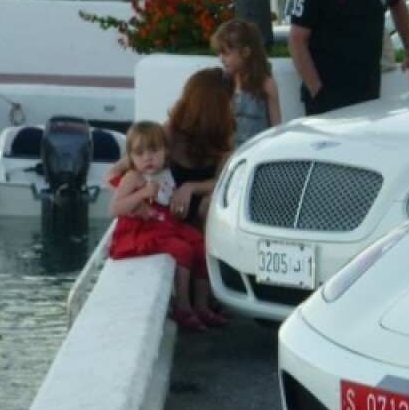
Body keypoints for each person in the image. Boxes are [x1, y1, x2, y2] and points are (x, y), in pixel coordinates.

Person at [108, 122, 226, 331]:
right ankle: (183, 306)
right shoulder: (134, 177)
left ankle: (202, 305)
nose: (148, 158)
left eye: (154, 151)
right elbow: (115, 208)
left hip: (165, 223)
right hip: (142, 229)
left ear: (166, 152)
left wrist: (174, 209)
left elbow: (165, 200)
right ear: (131, 157)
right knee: (183, 250)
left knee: (200, 244)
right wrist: (141, 195)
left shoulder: (166, 173)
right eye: (140, 153)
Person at [288, 0, 409, 116]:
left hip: (369, 97)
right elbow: (297, 41)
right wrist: (317, 91)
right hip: (327, 101)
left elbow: (397, 4)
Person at [164, 67, 236, 232]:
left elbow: (223, 181)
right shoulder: (171, 131)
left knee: (209, 204)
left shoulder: (225, 133)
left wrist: (190, 187)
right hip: (171, 207)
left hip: (200, 209)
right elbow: (121, 170)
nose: (233, 104)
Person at [213, 18, 283, 148]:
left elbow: (276, 127)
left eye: (226, 54)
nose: (221, 59)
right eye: (220, 53)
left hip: (259, 150)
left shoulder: (266, 84)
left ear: (246, 52)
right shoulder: (225, 84)